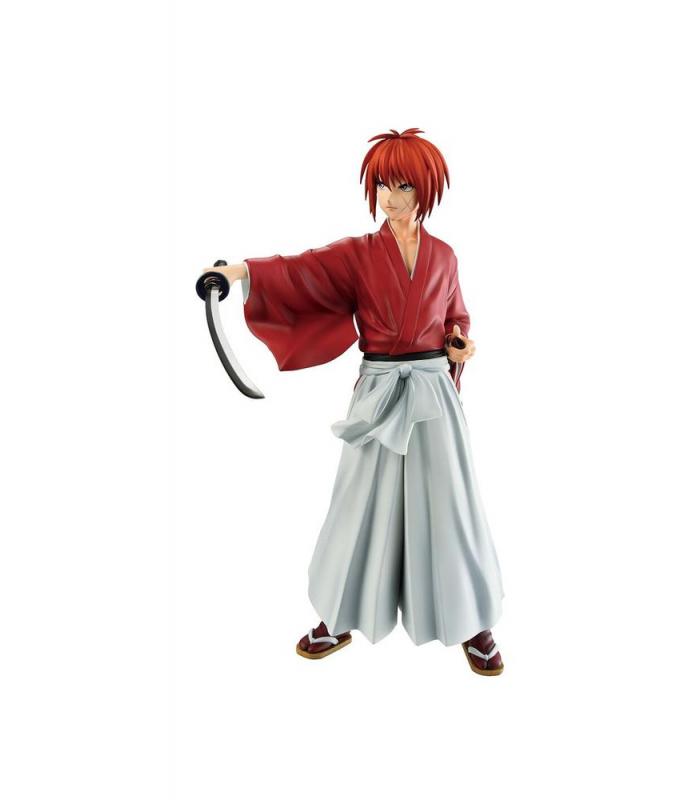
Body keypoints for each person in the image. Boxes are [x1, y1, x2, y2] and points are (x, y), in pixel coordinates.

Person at [202, 128, 505, 675]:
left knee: (450, 503)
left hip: (433, 389)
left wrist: (460, 342)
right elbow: (298, 268)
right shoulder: (359, 255)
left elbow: (456, 314)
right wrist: (236, 271)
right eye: (383, 185)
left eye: (403, 186)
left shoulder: (444, 256)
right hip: (380, 389)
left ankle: (471, 619)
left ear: (425, 190)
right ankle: (338, 614)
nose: (391, 198)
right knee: (359, 504)